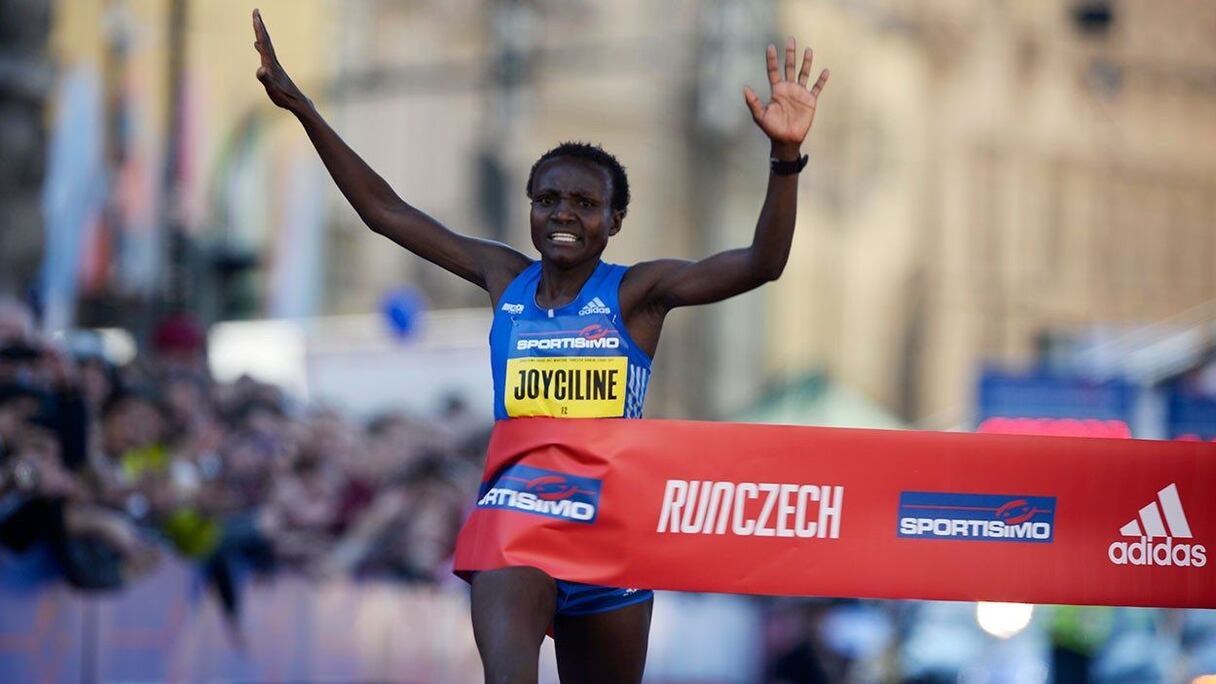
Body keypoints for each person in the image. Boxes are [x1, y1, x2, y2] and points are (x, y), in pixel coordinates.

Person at [252, 8, 828, 683]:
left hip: (611, 524)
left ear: (614, 221)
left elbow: (763, 262)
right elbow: (386, 212)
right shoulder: (504, 277)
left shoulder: (638, 293)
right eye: (548, 197)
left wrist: (785, 157)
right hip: (517, 513)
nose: (562, 212)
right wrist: (304, 109)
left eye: (584, 203)